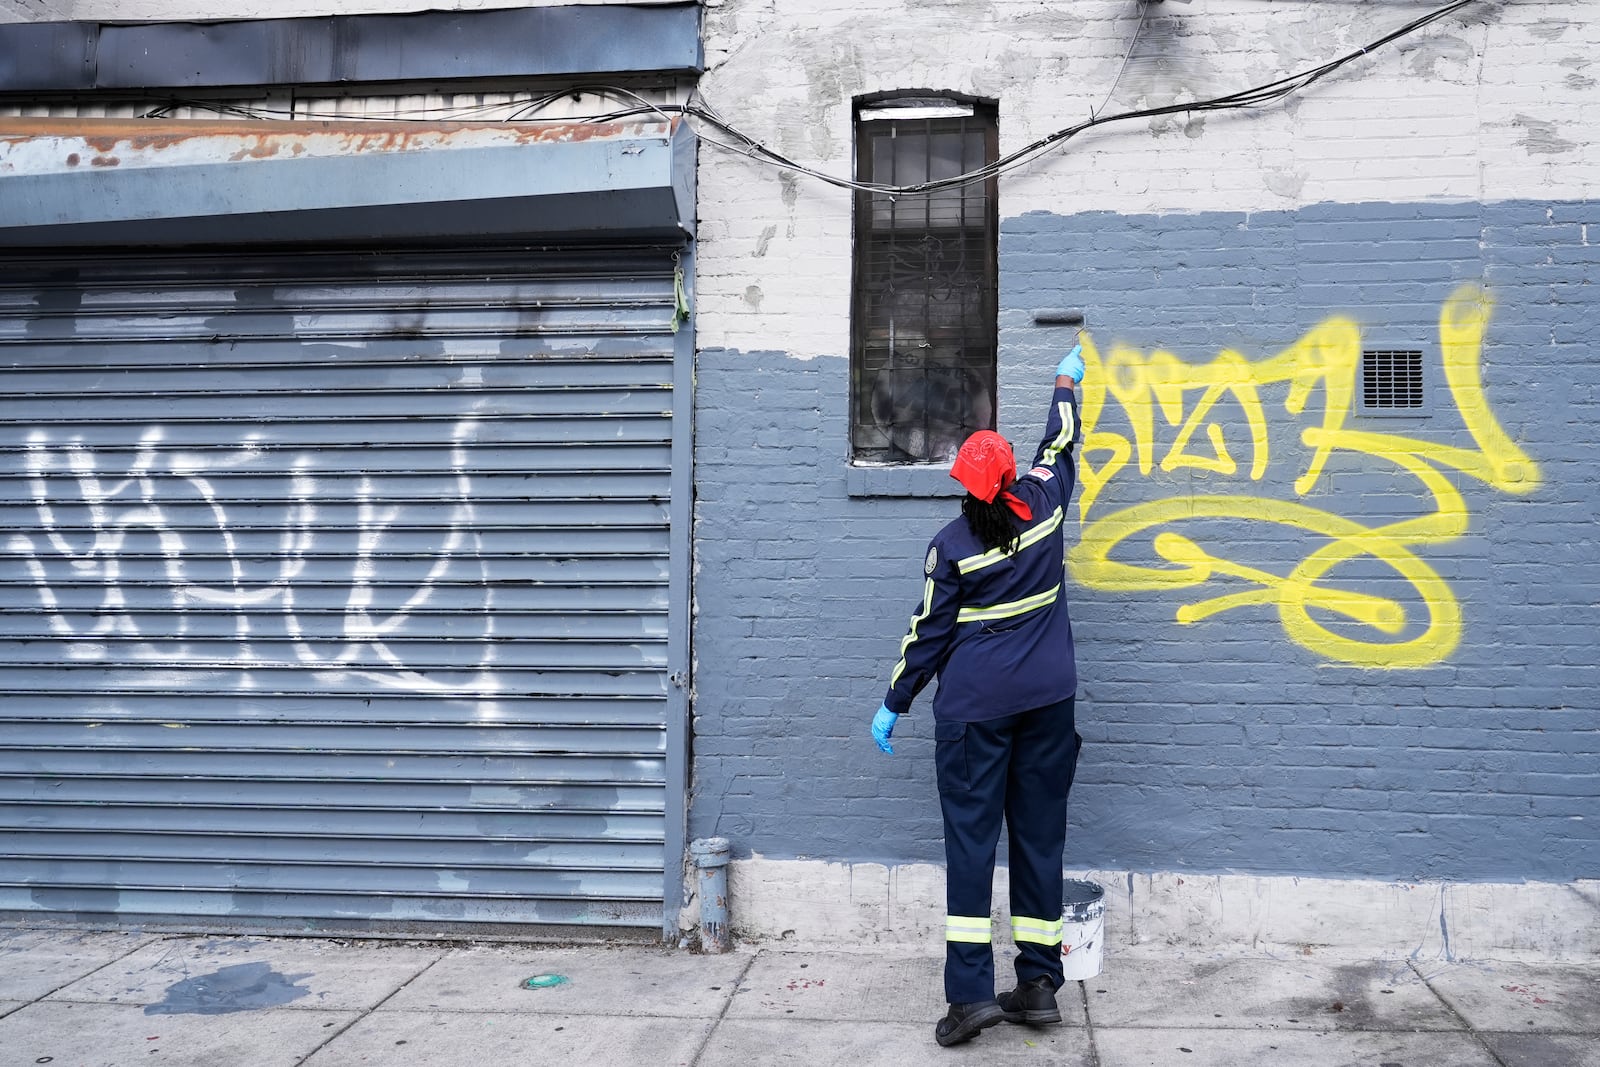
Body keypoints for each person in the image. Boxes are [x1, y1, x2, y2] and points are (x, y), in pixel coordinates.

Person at [870, 344, 1086, 1049]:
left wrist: (894, 701)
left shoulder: (952, 546)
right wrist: (1063, 381)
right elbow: (1060, 441)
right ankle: (1038, 984)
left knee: (971, 846)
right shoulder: (1047, 508)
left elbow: (926, 636)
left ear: (965, 484)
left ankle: (969, 998)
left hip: (975, 717)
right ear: (1012, 475)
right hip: (1050, 705)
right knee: (1039, 838)